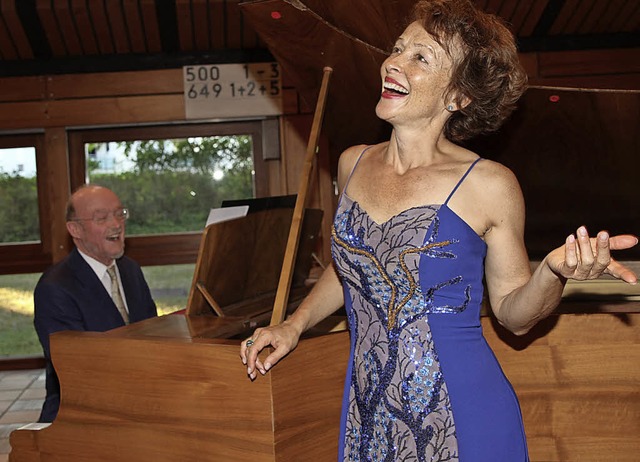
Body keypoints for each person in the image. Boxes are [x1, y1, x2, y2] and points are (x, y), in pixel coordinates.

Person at [241, 0, 638, 460]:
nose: (393, 62)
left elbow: (514, 315)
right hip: (369, 413)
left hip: (463, 414)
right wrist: (293, 325)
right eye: (397, 49)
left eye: (420, 57)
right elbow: (356, 266)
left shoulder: (491, 184)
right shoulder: (352, 164)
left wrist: (552, 271)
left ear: (458, 97)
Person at [34, 185, 157, 423]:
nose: (116, 224)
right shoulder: (55, 287)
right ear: (75, 229)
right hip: (81, 415)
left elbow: (153, 334)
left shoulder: (130, 270)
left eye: (120, 214)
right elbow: (77, 366)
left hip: (140, 399)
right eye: (102, 218)